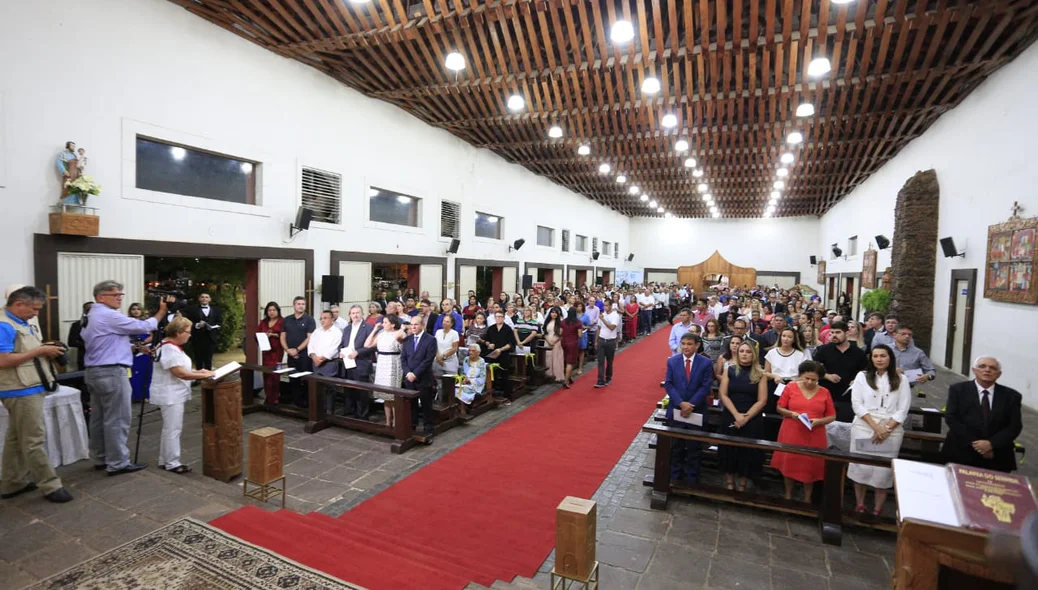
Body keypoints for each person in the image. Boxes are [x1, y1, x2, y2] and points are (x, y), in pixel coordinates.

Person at [82, 280, 169, 475]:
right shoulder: (107, 314)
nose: (120, 298)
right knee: (117, 418)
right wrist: (161, 312)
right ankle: (118, 462)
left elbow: (108, 343)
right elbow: (143, 326)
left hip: (95, 370)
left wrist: (136, 347)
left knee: (99, 417)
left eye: (121, 294)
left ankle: (101, 457)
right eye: (116, 295)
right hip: (111, 372)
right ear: (101, 297)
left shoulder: (91, 314)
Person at [0, 287, 73, 502]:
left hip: (26, 386)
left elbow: (19, 352)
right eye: (34, 309)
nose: (36, 314)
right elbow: (3, 360)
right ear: (19, 304)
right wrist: (40, 351)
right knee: (33, 440)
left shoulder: (17, 321)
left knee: (16, 438)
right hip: (20, 389)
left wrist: (44, 347)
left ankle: (11, 482)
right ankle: (50, 485)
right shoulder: (4, 324)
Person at [847, 344, 911, 516]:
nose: (879, 359)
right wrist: (875, 427)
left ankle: (878, 508)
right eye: (875, 356)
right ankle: (860, 503)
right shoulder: (862, 377)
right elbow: (857, 404)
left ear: (890, 358)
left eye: (883, 356)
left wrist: (887, 428)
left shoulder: (901, 379)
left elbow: (903, 408)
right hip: (864, 425)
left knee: (883, 471)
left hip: (891, 428)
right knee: (861, 467)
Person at [150, 317, 214, 474]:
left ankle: (164, 459)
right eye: (188, 332)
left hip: (173, 392)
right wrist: (204, 376)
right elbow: (179, 373)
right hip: (171, 394)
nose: (189, 335)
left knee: (169, 428)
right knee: (173, 428)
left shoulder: (171, 346)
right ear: (178, 332)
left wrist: (200, 371)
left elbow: (182, 369)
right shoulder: (169, 348)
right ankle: (172, 462)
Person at [941, 356, 1023, 472]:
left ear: (999, 374)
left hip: (997, 455)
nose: (987, 370)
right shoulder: (958, 390)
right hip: (961, 451)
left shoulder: (1012, 396)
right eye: (982, 366)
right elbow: (951, 418)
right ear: (974, 370)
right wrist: (978, 445)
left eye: (992, 368)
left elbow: (1014, 426)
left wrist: (991, 444)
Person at [771, 361, 836, 502]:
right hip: (792, 429)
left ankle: (807, 498)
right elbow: (779, 407)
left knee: (810, 466)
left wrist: (819, 421)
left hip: (814, 433)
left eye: (814, 379)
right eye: (807, 378)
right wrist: (792, 414)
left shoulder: (825, 392)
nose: (810, 382)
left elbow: (832, 415)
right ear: (801, 375)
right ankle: (788, 494)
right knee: (789, 462)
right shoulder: (790, 387)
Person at [664, 332, 713, 482]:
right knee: (676, 446)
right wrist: (681, 403)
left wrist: (691, 404)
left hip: (696, 410)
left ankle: (693, 478)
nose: (685, 347)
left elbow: (706, 386)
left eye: (689, 344)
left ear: (697, 345)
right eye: (683, 343)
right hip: (677, 409)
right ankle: (674, 476)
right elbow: (669, 384)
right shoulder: (673, 361)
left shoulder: (705, 362)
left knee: (694, 447)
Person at [718, 343, 768, 491]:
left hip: (751, 417)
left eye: (748, 352)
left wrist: (745, 418)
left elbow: (762, 400)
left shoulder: (760, 374)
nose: (744, 354)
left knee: (748, 452)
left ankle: (743, 483)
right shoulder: (730, 370)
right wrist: (736, 415)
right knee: (729, 449)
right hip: (731, 413)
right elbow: (723, 394)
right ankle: (729, 481)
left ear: (754, 355)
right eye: (741, 351)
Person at [812, 321, 868, 422]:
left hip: (849, 398)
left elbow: (865, 371)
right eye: (832, 333)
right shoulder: (823, 350)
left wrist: (856, 380)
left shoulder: (858, 353)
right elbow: (813, 369)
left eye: (838, 332)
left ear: (846, 333)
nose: (834, 335)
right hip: (827, 395)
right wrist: (827, 375)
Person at [400, 315, 437, 439]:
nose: (413, 327)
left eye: (416, 324)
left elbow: (428, 360)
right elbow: (403, 359)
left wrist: (415, 374)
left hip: (423, 378)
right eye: (411, 324)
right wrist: (408, 373)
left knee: (426, 405)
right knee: (412, 405)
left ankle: (428, 429)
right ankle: (412, 426)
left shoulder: (430, 340)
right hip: (409, 378)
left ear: (422, 325)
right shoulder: (408, 340)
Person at [338, 305, 375, 418]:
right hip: (347, 362)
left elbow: (373, 347)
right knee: (349, 389)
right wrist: (340, 351)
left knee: (362, 391)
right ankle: (350, 412)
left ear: (362, 314)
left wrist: (358, 352)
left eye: (357, 313)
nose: (355, 315)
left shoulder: (368, 328)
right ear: (349, 315)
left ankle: (362, 415)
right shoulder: (347, 328)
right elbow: (342, 343)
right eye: (353, 313)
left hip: (361, 362)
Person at [281, 296, 315, 407]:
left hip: (304, 355)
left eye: (303, 304)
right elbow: (282, 337)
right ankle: (297, 402)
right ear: (294, 305)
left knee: (306, 380)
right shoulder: (287, 319)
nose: (301, 306)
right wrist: (288, 350)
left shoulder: (309, 319)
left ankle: (308, 404)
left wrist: (297, 350)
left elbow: (309, 338)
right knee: (293, 378)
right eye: (298, 304)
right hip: (290, 355)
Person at [309, 311, 342, 415]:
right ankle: (318, 411)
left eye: (325, 318)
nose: (322, 320)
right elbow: (310, 345)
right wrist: (314, 357)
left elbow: (334, 349)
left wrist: (321, 359)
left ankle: (329, 412)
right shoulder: (317, 331)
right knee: (317, 388)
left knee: (329, 388)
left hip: (329, 363)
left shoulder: (337, 332)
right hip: (315, 363)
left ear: (332, 319)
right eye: (321, 318)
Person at [256, 301, 285, 405]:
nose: (271, 312)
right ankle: (268, 397)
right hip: (266, 351)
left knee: (275, 374)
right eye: (269, 310)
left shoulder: (282, 321)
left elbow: (284, 335)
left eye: (274, 310)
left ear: (277, 311)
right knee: (266, 374)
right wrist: (263, 336)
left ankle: (275, 397)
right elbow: (257, 335)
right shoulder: (263, 322)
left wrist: (273, 334)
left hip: (277, 351)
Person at [185, 293, 222, 371]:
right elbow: (188, 322)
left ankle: (208, 377)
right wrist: (197, 325)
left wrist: (213, 327)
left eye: (206, 297)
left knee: (209, 359)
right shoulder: (192, 310)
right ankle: (199, 377)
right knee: (198, 359)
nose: (204, 298)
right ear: (199, 299)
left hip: (211, 338)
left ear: (209, 299)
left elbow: (219, 322)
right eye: (202, 297)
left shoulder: (216, 310)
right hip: (197, 338)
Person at [483, 311, 516, 399]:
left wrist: (501, 349)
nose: (498, 318)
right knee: (492, 374)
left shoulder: (508, 329)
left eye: (500, 316)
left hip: (503, 354)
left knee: (505, 375)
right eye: (497, 317)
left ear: (504, 318)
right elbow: (486, 340)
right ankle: (492, 394)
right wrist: (489, 344)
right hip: (492, 354)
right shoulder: (491, 328)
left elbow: (511, 343)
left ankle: (506, 396)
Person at [126, 302, 154, 402]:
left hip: (145, 351)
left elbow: (151, 336)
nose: (136, 311)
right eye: (133, 309)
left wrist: (143, 342)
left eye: (138, 309)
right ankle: (135, 395)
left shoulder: (146, 322)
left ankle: (145, 394)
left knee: (146, 373)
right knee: (133, 374)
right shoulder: (127, 322)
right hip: (132, 351)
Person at [433, 313, 460, 401]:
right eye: (444, 321)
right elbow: (435, 346)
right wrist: (438, 356)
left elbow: (454, 348)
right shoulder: (438, 332)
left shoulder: (454, 333)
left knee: (450, 383)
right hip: (438, 360)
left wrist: (443, 356)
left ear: (451, 324)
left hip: (450, 361)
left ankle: (452, 402)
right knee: (439, 383)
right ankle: (441, 401)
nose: (445, 323)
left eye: (447, 321)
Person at [594, 299, 620, 388]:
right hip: (602, 339)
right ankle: (600, 380)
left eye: (607, 305)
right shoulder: (603, 315)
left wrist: (603, 319)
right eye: (604, 305)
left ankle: (608, 377)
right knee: (600, 361)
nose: (605, 307)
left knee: (609, 361)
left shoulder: (615, 315)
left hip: (610, 341)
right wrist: (596, 340)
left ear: (611, 306)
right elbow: (599, 328)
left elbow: (612, 327)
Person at [456, 343, 487, 417]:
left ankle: (462, 409)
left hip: (476, 384)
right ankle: (458, 407)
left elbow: (482, 378)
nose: (470, 352)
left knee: (464, 389)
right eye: (469, 350)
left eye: (473, 351)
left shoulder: (481, 361)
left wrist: (470, 381)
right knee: (454, 388)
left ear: (478, 352)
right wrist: (464, 378)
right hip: (465, 382)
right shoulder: (466, 359)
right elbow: (462, 372)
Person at [560, 307, 584, 389]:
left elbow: (560, 332)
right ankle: (566, 381)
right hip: (573, 343)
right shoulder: (578, 323)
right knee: (570, 362)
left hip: (564, 342)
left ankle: (569, 377)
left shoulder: (563, 322)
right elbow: (580, 335)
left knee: (566, 360)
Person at [543, 307, 565, 383]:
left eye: (555, 313)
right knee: (548, 358)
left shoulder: (561, 322)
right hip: (547, 342)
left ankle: (557, 376)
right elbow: (545, 332)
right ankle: (549, 375)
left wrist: (554, 341)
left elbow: (562, 334)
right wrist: (548, 341)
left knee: (557, 359)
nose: (554, 314)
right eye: (552, 312)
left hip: (557, 343)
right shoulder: (547, 321)